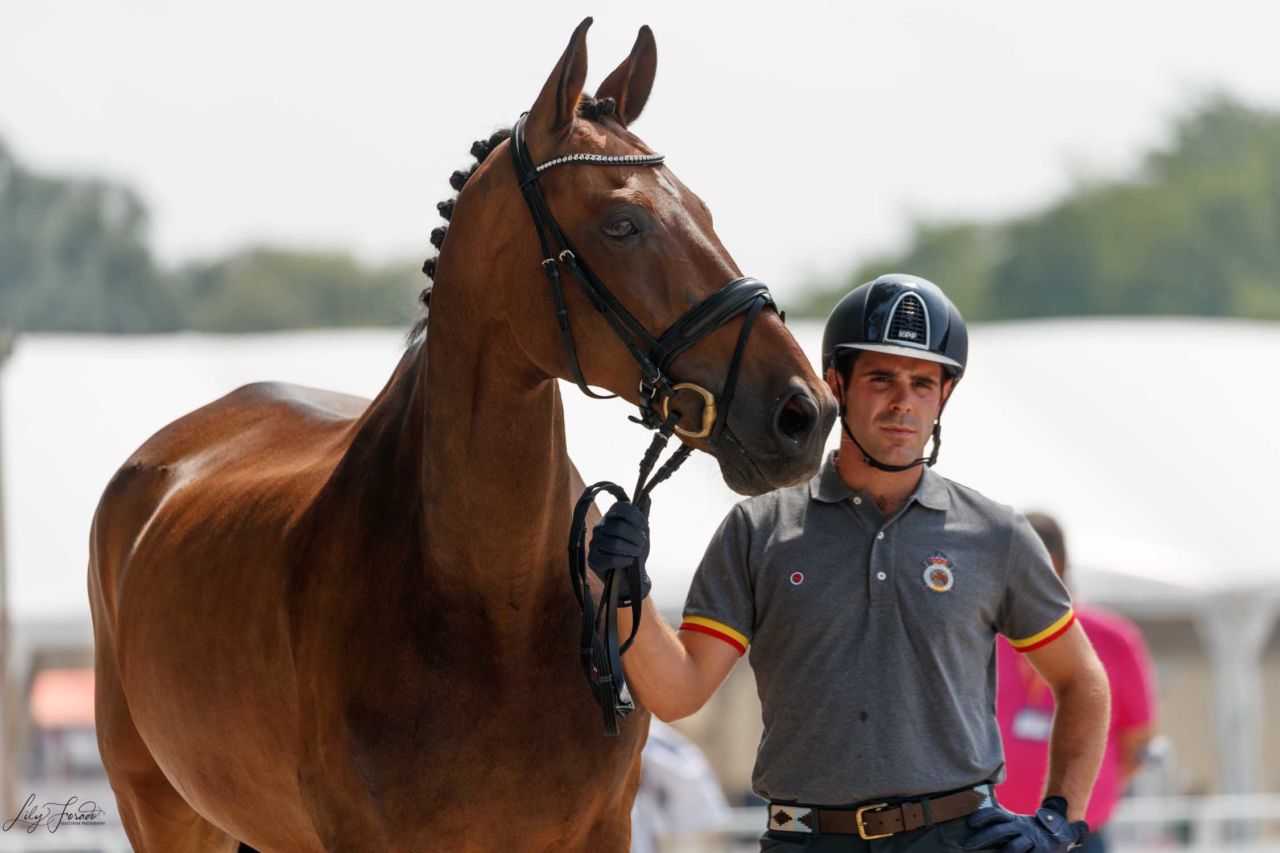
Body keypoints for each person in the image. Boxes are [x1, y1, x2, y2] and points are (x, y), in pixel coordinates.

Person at [589, 273, 1112, 852]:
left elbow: (1082, 678)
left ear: (945, 395)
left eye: (922, 382)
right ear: (835, 383)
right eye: (881, 379)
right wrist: (626, 591)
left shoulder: (996, 535)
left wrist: (1061, 819)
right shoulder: (759, 528)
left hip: (960, 838)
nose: (901, 402)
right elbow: (679, 692)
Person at [996, 512, 1157, 852]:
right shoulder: (983, 637)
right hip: (993, 832)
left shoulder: (1113, 638)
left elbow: (1137, 742)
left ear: (1053, 564)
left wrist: (1085, 792)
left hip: (1077, 835)